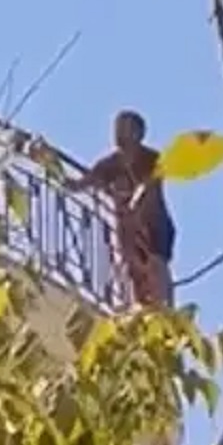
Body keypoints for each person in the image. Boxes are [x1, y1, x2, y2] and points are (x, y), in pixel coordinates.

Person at [67, 110, 175, 307]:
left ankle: (165, 309)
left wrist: (135, 200)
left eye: (124, 127)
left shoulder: (151, 158)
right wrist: (49, 162)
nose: (117, 132)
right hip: (128, 226)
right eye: (117, 127)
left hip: (153, 222)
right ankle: (142, 309)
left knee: (156, 265)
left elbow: (152, 186)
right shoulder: (109, 165)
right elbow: (82, 183)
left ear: (138, 133)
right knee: (133, 268)